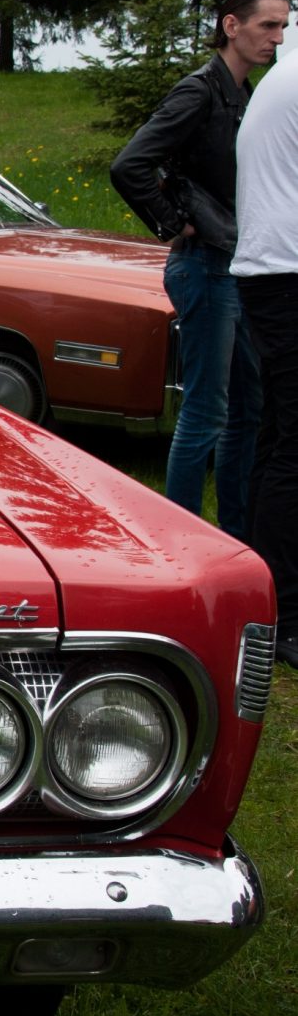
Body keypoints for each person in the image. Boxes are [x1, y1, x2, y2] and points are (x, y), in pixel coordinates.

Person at [110, 0, 289, 541]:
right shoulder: (199, 92)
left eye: (284, 27)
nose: (278, 38)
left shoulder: (246, 93)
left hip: (236, 265)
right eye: (268, 25)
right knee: (207, 411)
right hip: (204, 265)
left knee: (248, 410)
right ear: (231, 26)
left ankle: (236, 536)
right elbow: (130, 164)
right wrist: (174, 222)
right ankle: (181, 539)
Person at [233, 45, 298, 661]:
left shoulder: (284, 75)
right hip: (285, 270)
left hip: (273, 267)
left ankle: (268, 595)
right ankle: (287, 615)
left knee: (279, 434)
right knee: (292, 445)